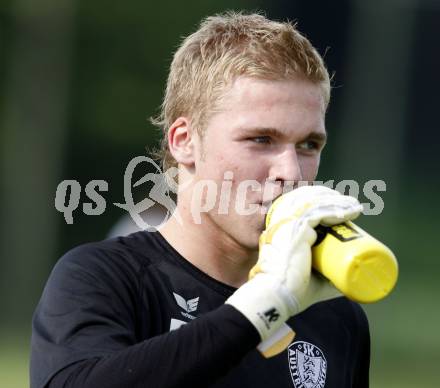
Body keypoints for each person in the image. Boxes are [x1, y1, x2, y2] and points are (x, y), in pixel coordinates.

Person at [30, 12, 370, 388]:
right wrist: (262, 306)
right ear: (184, 141)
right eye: (261, 139)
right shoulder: (102, 278)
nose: (290, 172)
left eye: (309, 144)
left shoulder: (335, 316)